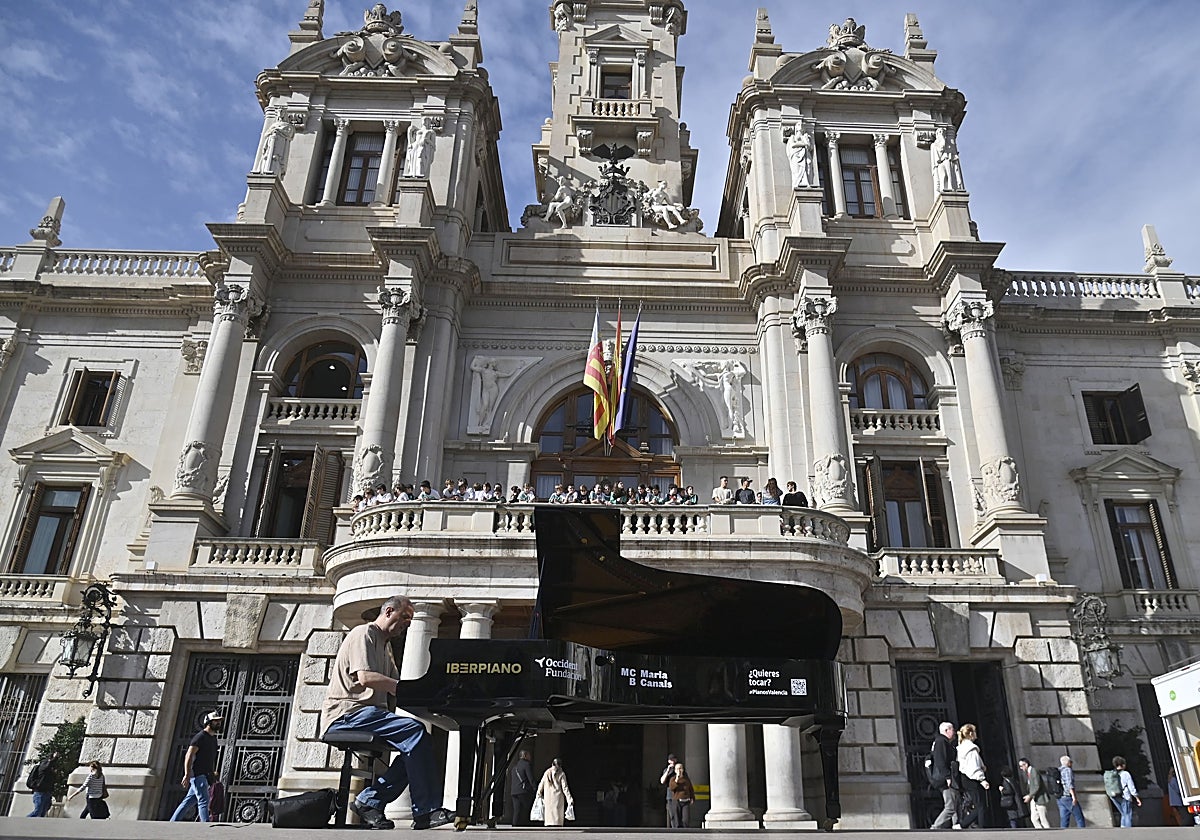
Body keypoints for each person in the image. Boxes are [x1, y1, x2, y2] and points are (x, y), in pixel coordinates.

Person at [321, 595, 453, 830]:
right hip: (348, 713)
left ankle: (370, 800)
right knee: (415, 731)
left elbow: (397, 685)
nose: (407, 624)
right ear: (389, 611)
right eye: (405, 617)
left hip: (369, 715)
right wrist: (406, 689)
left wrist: (433, 696)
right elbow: (366, 678)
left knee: (419, 741)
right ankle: (426, 811)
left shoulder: (385, 645)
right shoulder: (364, 633)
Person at [170, 710, 223, 822]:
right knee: (204, 800)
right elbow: (189, 755)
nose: (218, 723)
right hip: (198, 774)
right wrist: (187, 774)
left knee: (189, 801)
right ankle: (205, 826)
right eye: (215, 721)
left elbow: (209, 758)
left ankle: (172, 822)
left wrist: (212, 772)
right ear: (208, 722)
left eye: (219, 721)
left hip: (206, 775)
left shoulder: (213, 739)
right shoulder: (200, 737)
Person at [956, 723, 989, 829]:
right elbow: (973, 766)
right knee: (980, 806)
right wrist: (982, 780)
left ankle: (969, 825)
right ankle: (965, 825)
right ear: (970, 734)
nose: (976, 735)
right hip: (972, 778)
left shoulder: (961, 747)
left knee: (978, 805)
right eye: (974, 732)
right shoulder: (971, 748)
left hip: (965, 778)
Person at [930, 721, 961, 829]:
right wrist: (947, 776)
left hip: (946, 777)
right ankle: (935, 827)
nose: (955, 732)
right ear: (946, 730)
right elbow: (940, 760)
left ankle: (956, 826)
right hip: (945, 779)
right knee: (950, 806)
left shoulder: (944, 741)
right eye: (952, 729)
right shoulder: (941, 741)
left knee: (954, 803)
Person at [535, 758, 574, 826]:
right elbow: (565, 788)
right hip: (558, 799)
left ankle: (549, 825)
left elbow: (541, 784)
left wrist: (538, 794)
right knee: (557, 818)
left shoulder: (547, 772)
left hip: (548, 798)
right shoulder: (561, 773)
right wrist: (569, 799)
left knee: (549, 817)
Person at [1018, 757, 1051, 829]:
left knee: (1043, 819)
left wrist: (1029, 795)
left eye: (1021, 766)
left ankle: (1049, 834)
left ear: (1026, 764)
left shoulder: (1034, 771)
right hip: (1034, 799)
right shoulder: (1029, 773)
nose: (1021, 768)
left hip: (1039, 798)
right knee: (1034, 818)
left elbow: (1037, 785)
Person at [1109, 755, 1141, 828]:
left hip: (1114, 796)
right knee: (1127, 814)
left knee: (1123, 813)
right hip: (1124, 796)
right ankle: (1128, 831)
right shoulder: (1125, 774)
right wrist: (1136, 797)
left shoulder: (1112, 774)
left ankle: (1122, 829)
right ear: (1123, 765)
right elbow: (1131, 786)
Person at [1057, 755, 1086, 827]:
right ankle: (1083, 834)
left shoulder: (1058, 770)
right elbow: (1069, 784)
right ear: (1068, 762)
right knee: (1079, 817)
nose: (1072, 763)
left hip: (1060, 797)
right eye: (1071, 762)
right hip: (1068, 797)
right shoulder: (1067, 770)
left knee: (1064, 819)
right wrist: (1074, 797)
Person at [26, 752, 56, 818]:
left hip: (47, 792)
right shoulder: (43, 766)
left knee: (43, 812)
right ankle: (23, 821)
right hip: (40, 792)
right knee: (37, 812)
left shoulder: (50, 770)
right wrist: (53, 758)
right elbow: (47, 766)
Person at [510, 749, 535, 827]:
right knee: (525, 809)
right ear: (525, 756)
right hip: (523, 791)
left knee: (516, 810)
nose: (530, 757)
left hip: (514, 791)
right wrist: (535, 787)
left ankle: (515, 824)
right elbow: (530, 778)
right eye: (528, 755)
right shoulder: (526, 765)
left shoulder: (515, 767)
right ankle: (525, 824)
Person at [668, 761, 695, 829]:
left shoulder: (686, 779)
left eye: (680, 768)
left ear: (683, 769)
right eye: (677, 769)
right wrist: (676, 780)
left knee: (685, 819)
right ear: (675, 770)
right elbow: (672, 788)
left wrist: (692, 797)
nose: (679, 770)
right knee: (677, 819)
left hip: (686, 801)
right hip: (677, 801)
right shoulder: (673, 779)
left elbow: (690, 788)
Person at [659, 753, 678, 827]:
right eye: (671, 760)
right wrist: (667, 771)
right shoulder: (666, 770)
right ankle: (674, 828)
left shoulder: (679, 769)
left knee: (677, 813)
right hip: (670, 795)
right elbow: (662, 781)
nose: (672, 762)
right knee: (672, 814)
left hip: (677, 794)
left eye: (673, 760)